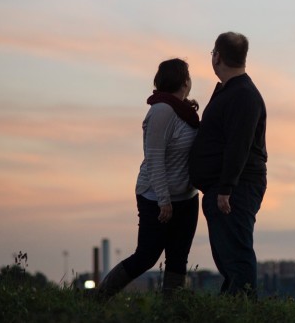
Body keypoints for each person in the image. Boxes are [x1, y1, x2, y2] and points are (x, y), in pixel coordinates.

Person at [97, 58, 200, 299]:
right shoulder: (162, 110)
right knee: (146, 256)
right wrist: (164, 200)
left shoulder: (185, 112)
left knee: (178, 259)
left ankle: (171, 311)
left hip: (187, 198)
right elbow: (154, 158)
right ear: (184, 81)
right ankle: (98, 297)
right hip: (157, 198)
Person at [189, 31, 267, 296]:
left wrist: (226, 188)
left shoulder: (243, 94)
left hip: (235, 189)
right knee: (227, 257)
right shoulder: (231, 91)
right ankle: (233, 306)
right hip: (225, 187)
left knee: (236, 256)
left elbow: (239, 144)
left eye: (213, 52)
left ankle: (243, 307)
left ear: (217, 57)